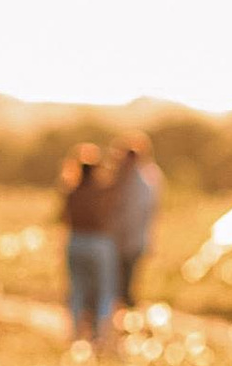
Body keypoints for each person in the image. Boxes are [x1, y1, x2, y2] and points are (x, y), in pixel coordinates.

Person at [59, 145, 119, 346]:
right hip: (98, 243)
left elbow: (62, 218)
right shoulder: (101, 192)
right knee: (103, 290)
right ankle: (100, 335)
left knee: (77, 289)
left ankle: (76, 334)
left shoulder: (71, 191)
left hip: (75, 241)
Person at [105, 133, 162, 323]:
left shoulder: (140, 182)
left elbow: (134, 215)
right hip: (129, 239)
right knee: (123, 283)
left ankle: (123, 323)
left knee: (123, 284)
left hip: (127, 239)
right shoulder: (149, 178)